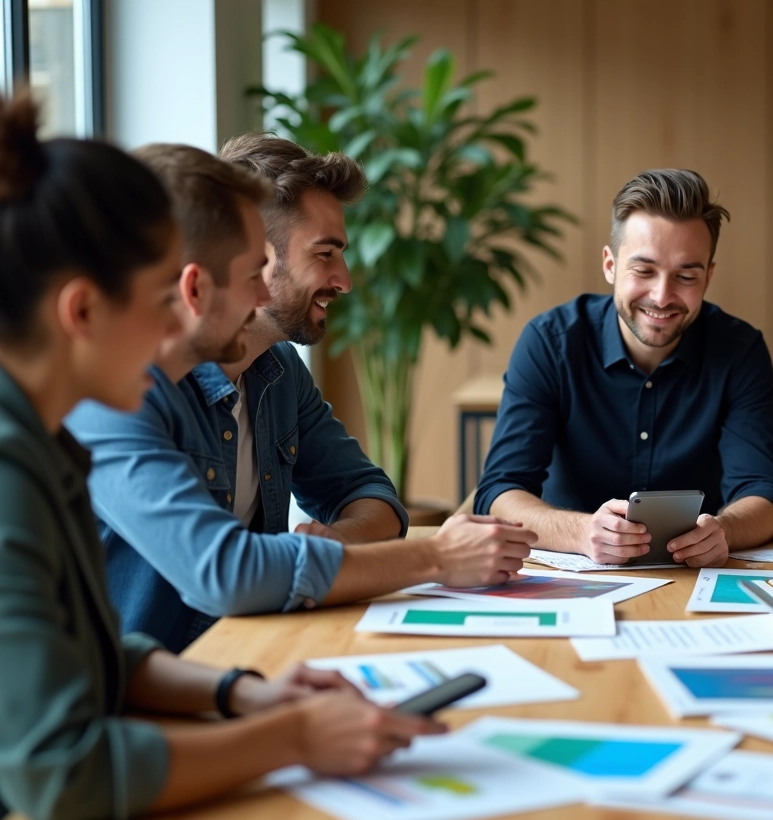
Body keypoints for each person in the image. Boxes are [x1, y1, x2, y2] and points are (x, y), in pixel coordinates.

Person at [0, 91, 442, 820]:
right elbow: (60, 774)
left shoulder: (47, 442)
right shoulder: (22, 465)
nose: (182, 327)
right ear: (81, 312)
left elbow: (99, 653)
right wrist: (292, 736)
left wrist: (239, 694)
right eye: (161, 299)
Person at [67, 138, 535, 654]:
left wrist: (334, 550)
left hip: (232, 666)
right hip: (153, 694)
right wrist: (438, 557)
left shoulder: (279, 372)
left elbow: (372, 496)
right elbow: (225, 572)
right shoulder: (112, 397)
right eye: (325, 252)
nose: (346, 281)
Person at [475, 169, 773, 567]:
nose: (662, 296)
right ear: (610, 265)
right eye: (644, 270)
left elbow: (766, 493)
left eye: (686, 275)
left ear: (708, 276)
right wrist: (581, 532)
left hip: (695, 574)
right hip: (573, 575)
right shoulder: (549, 342)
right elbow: (500, 491)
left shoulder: (740, 351)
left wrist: (725, 532)